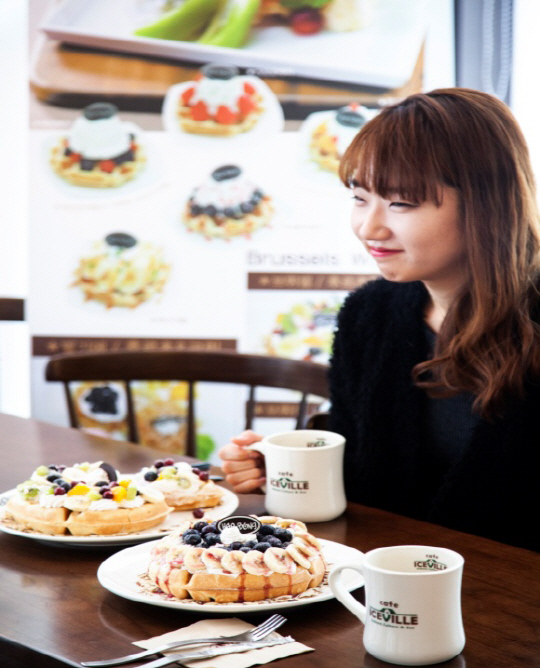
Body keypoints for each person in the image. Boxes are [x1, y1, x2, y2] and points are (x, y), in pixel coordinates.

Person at [219, 88, 540, 552]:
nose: (369, 228)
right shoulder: (370, 314)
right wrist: (287, 471)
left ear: (486, 203)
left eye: (401, 204)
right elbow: (364, 473)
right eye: (359, 198)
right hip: (385, 578)